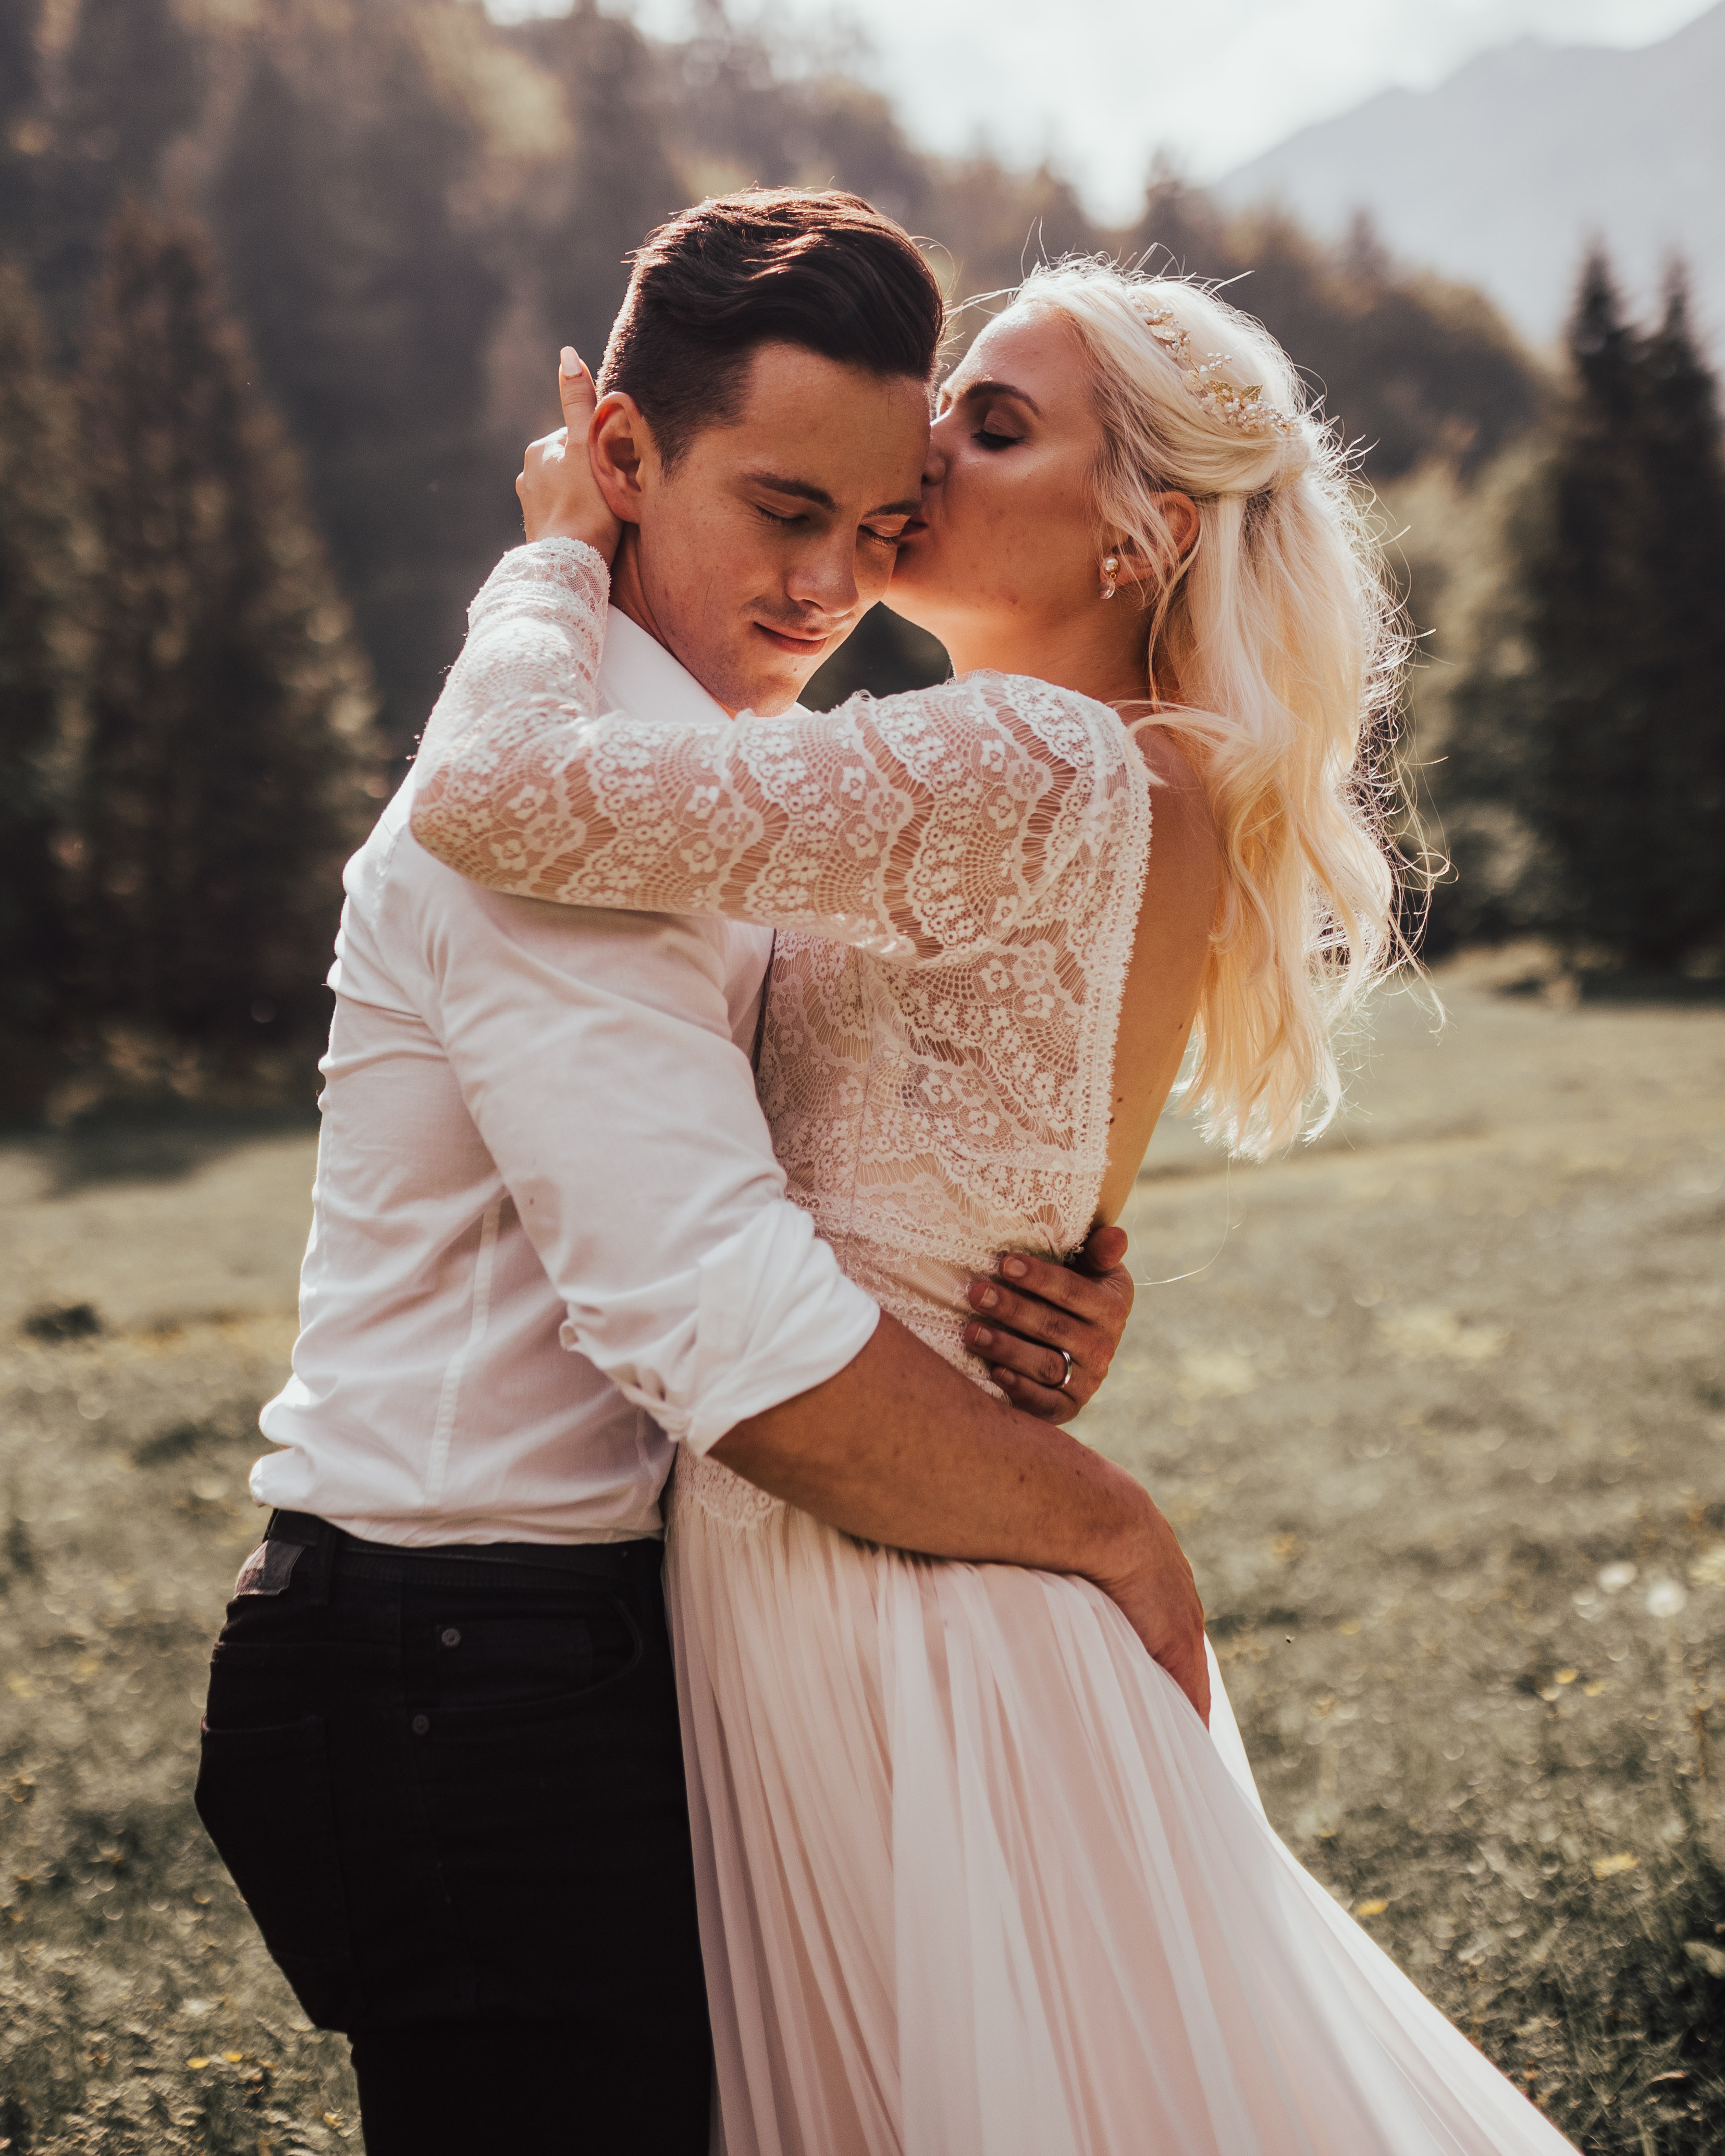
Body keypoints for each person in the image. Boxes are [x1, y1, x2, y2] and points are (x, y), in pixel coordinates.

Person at [408, 254, 1586, 2151]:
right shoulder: (1162, 782)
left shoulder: (1026, 758)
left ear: (1145, 533)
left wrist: (556, 542)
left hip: (869, 1566)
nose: (924, 453)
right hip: (917, 1526)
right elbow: (1016, 1206)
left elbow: (507, 796)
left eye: (995, 422)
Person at [193, 192, 1209, 2156]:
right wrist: (1098, 1525)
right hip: (455, 1663)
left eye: (877, 517)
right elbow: (718, 1328)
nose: (833, 582)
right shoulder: (555, 824)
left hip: (566, 1642)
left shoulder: (701, 793)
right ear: (625, 460)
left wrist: (1017, 1270)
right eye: (781, 509)